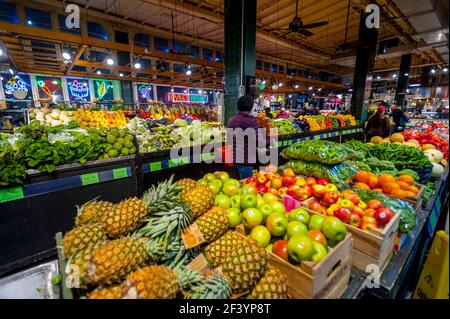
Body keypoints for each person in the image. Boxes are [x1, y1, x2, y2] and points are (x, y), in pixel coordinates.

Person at [227, 95, 264, 180]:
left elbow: (229, 140)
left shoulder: (231, 120)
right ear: (251, 107)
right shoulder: (252, 121)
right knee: (246, 185)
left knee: (238, 182)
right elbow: (261, 142)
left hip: (234, 159)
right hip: (246, 160)